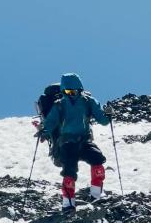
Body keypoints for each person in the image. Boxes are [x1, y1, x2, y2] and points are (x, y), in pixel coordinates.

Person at [37, 73, 114, 214]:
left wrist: (107, 115)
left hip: (84, 140)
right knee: (69, 171)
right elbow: (51, 122)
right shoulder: (59, 105)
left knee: (97, 160)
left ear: (80, 89)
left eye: (73, 91)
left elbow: (102, 120)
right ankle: (68, 203)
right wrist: (44, 130)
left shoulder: (89, 102)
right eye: (66, 92)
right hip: (66, 142)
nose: (70, 94)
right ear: (63, 91)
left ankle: (96, 194)